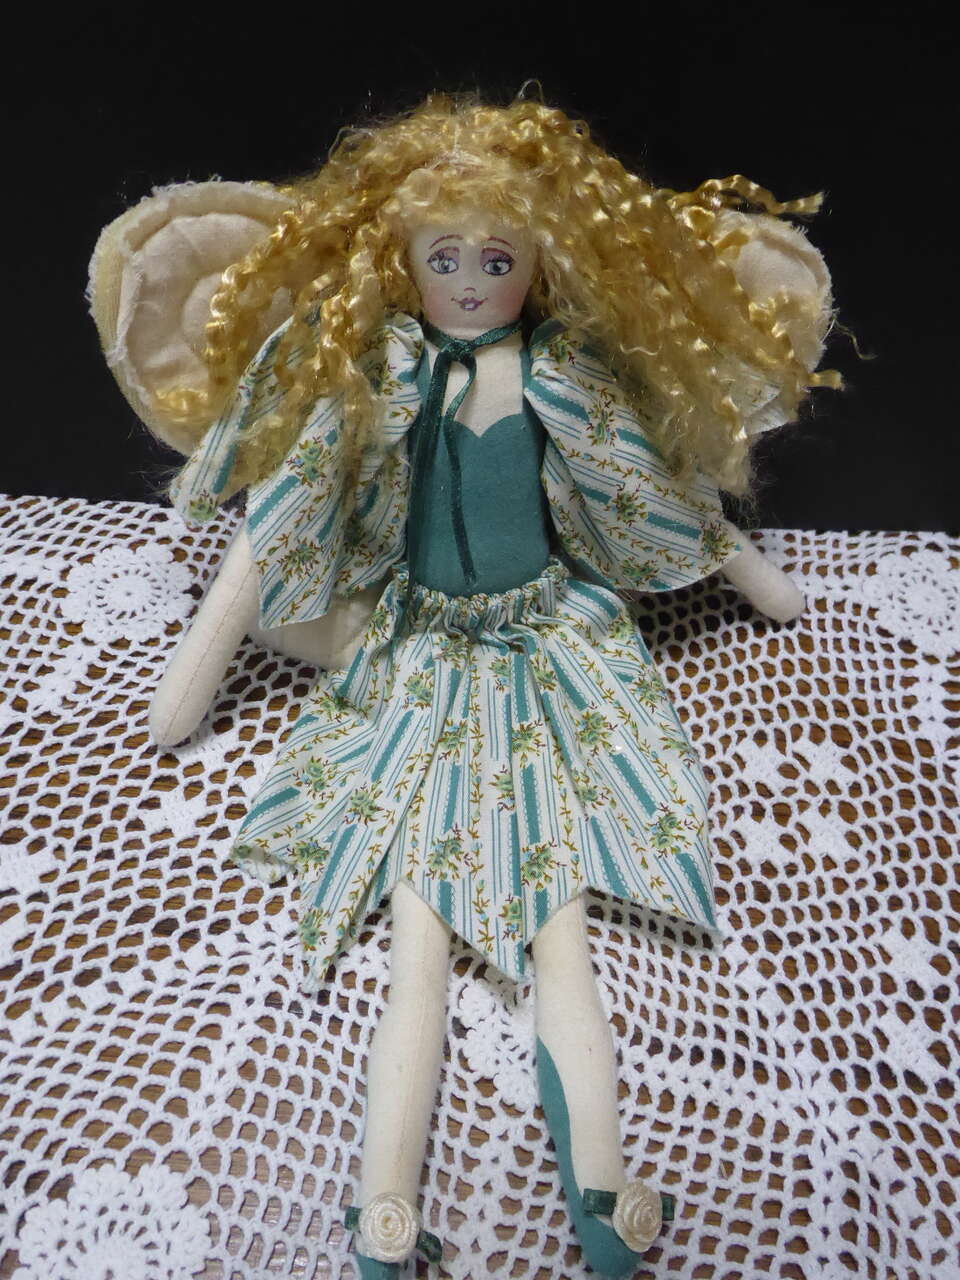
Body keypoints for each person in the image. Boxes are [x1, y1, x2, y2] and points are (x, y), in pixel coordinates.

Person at [140, 92, 837, 1275]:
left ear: (539, 266)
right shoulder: (375, 374)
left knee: (560, 926)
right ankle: (383, 1207)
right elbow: (281, 516)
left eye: (498, 260)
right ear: (401, 261)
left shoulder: (563, 378)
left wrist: (757, 577)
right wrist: (192, 676)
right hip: (417, 655)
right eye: (445, 257)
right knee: (417, 939)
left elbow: (652, 490)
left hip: (548, 649)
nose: (469, 282)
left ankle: (605, 1191)